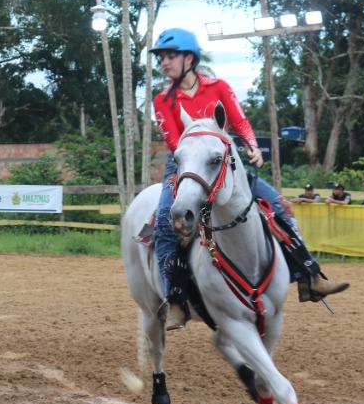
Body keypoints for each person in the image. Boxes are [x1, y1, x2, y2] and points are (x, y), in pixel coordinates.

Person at [149, 27, 349, 330]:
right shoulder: (162, 100)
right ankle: (175, 298)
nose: (164, 62)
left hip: (226, 163)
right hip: (185, 165)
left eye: (170, 56)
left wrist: (253, 146)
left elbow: (240, 120)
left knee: (279, 206)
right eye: (161, 57)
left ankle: (309, 277)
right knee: (166, 221)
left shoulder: (218, 86)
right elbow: (177, 144)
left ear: (189, 58)